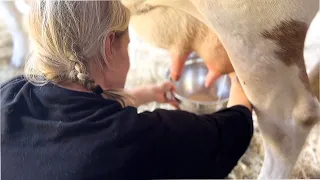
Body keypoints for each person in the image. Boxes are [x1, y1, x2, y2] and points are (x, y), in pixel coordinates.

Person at [1, 1, 253, 180]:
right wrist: (239, 75)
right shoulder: (132, 138)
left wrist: (143, 95)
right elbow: (229, 133)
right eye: (128, 44)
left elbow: (79, 115)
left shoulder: (10, 95)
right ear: (110, 45)